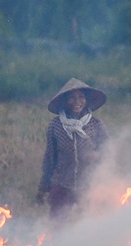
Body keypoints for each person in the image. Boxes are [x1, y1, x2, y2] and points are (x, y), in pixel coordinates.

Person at [37, 78, 109, 222]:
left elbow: (108, 152)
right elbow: (50, 157)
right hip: (62, 184)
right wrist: (44, 186)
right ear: (65, 101)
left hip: (89, 184)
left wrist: (96, 155)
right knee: (57, 224)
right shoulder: (56, 125)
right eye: (72, 98)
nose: (77, 102)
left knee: (88, 224)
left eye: (81, 97)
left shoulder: (96, 124)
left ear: (86, 100)